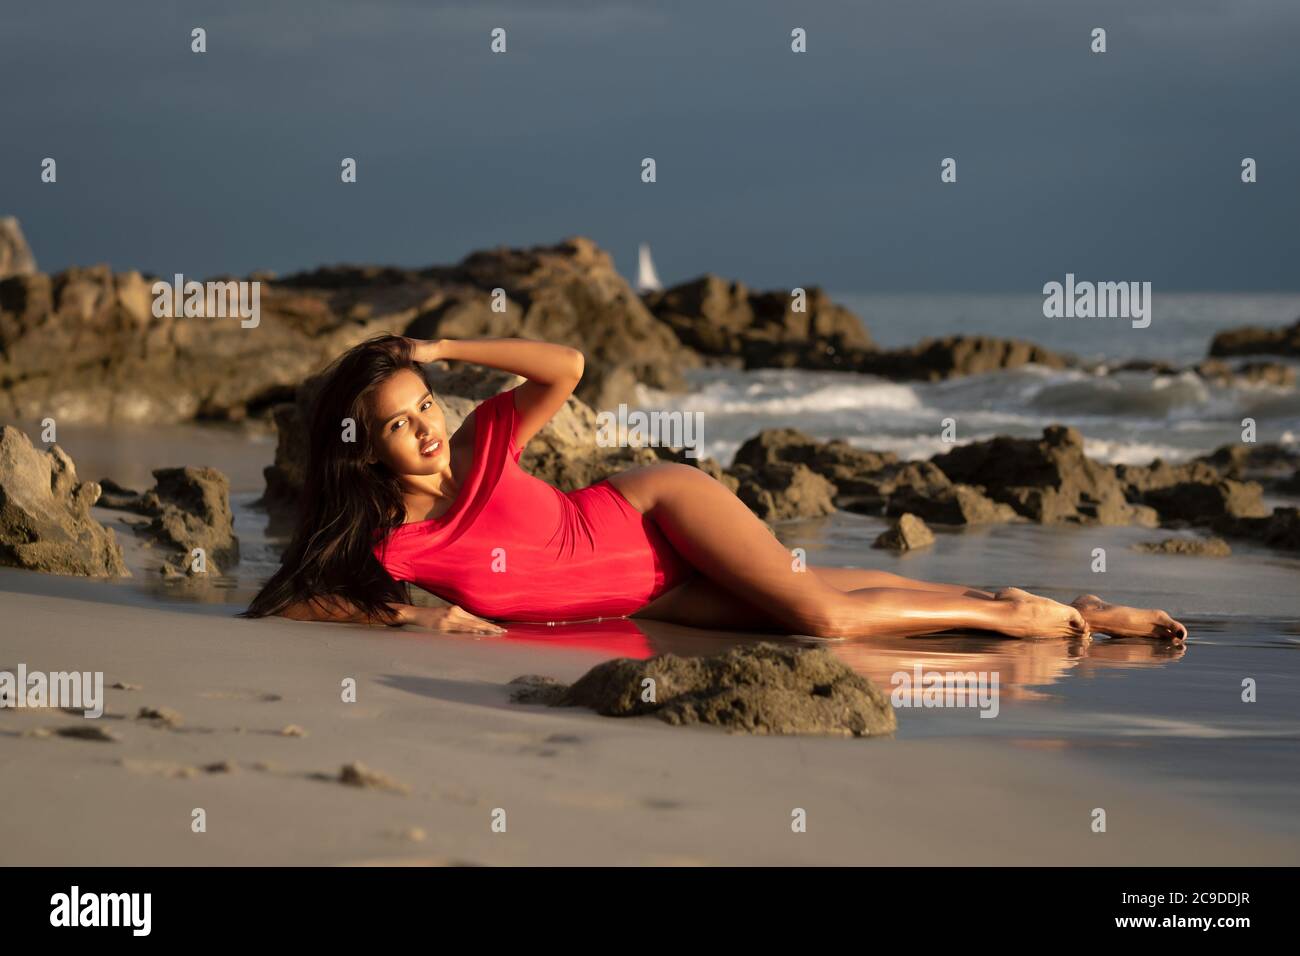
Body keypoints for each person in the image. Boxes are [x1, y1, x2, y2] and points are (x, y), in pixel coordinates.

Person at [242, 334, 1187, 643]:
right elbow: (306, 606)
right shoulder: (388, 551)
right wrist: (441, 623)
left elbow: (566, 365)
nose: (425, 427)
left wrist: (442, 347)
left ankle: (1024, 618)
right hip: (647, 593)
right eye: (398, 424)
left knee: (825, 620)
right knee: (826, 599)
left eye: (426, 404)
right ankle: (1085, 614)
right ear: (363, 452)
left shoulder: (488, 439)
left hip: (654, 510)